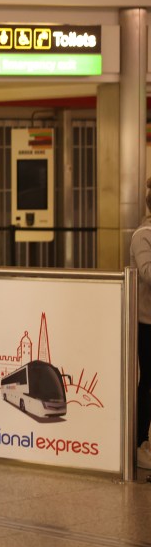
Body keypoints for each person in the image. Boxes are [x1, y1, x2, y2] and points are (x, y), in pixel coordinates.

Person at [130, 177, 151, 470]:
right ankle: (137, 444)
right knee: (148, 382)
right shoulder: (142, 235)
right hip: (148, 321)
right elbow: (147, 272)